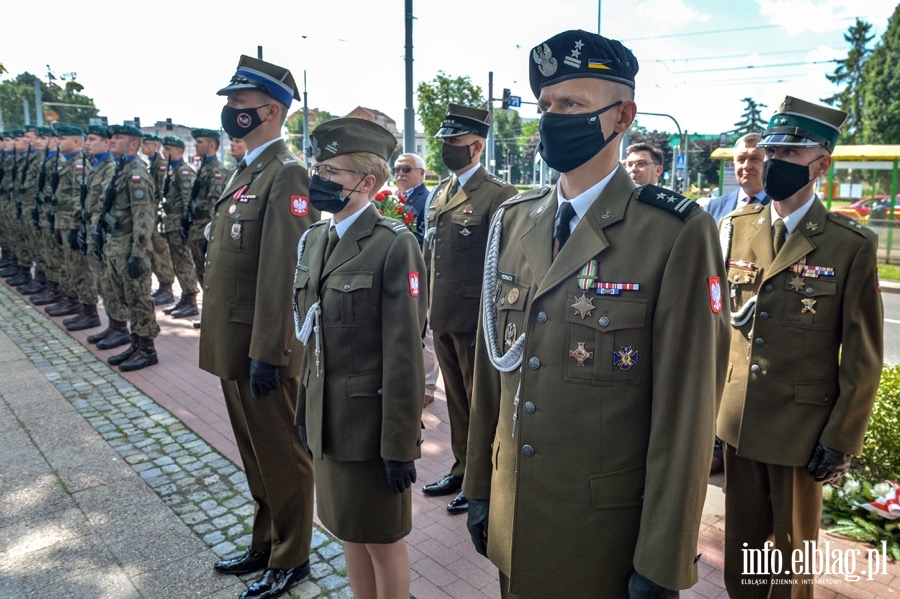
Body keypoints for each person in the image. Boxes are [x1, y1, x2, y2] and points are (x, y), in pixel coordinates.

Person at [463, 30, 730, 598]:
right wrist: (480, 485)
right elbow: (495, 368)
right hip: (518, 512)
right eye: (547, 106)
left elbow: (687, 409)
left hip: (605, 533)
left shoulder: (674, 232)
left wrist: (664, 556)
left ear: (622, 116)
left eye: (573, 105)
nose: (553, 118)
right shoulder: (515, 220)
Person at [718, 96, 883, 596]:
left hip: (801, 432)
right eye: (772, 152)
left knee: (790, 565)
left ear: (820, 165)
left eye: (791, 155)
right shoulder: (736, 229)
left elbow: (863, 354)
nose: (775, 163)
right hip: (739, 422)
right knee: (742, 560)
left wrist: (842, 439)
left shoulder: (848, 244)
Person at [199, 55, 318, 599]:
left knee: (281, 454)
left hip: (259, 345)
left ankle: (292, 557)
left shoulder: (287, 173)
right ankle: (265, 542)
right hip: (234, 339)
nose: (230, 113)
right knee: (254, 452)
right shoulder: (248, 169)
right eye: (229, 104)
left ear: (270, 111)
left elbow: (282, 271)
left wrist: (270, 350)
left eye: (239, 105)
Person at [294, 117, 426, 599]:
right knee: (347, 530)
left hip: (370, 430)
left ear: (367, 183)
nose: (319, 179)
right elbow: (311, 338)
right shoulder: (313, 239)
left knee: (382, 541)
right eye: (318, 167)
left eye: (331, 172)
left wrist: (399, 443)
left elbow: (404, 353)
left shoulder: (394, 245)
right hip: (327, 422)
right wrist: (303, 411)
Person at [422, 104, 518, 516]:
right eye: (444, 142)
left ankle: (483, 478)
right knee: (457, 400)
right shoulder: (442, 190)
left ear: (477, 146)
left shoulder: (499, 195)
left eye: (455, 142)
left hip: (476, 321)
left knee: (481, 404)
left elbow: (506, 265)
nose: (447, 148)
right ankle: (462, 469)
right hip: (441, 314)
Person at [100, 124, 160, 372]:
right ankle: (136, 343)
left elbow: (144, 217)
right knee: (127, 297)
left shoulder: (137, 174)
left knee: (139, 298)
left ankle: (147, 349)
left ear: (133, 144)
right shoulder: (121, 170)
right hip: (116, 246)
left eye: (118, 137)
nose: (112, 140)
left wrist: (138, 255)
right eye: (111, 137)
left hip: (130, 249)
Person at [393, 152, 440, 406]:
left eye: (407, 169)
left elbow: (427, 238)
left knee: (426, 331)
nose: (400, 173)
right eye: (397, 169)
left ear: (422, 173)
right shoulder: (391, 199)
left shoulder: (427, 199)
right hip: (398, 274)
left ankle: (427, 388)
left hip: (421, 274)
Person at [84, 125, 133, 349]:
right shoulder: (97, 166)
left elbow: (103, 204)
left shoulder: (111, 167)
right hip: (98, 232)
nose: (87, 143)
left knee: (112, 283)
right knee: (102, 281)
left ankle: (120, 327)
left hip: (111, 235)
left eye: (93, 139)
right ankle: (114, 325)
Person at [158, 135, 200, 319]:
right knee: (177, 262)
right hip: (170, 223)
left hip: (178, 225)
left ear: (180, 152)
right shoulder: (171, 171)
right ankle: (184, 296)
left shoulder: (183, 172)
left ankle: (191, 299)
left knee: (184, 262)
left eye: (169, 150)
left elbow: (187, 201)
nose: (164, 152)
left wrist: (185, 225)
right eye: (164, 149)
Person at [142, 133, 177, 306]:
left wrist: (155, 212)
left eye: (146, 144)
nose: (143, 147)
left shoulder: (161, 166)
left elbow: (161, 193)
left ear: (154, 146)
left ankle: (167, 287)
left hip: (157, 215)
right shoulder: (152, 164)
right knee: (155, 251)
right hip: (152, 215)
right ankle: (163, 286)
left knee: (161, 251)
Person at [705, 132, 769, 224]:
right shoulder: (715, 207)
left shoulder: (781, 206)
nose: (746, 166)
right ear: (734, 163)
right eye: (741, 159)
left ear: (767, 163)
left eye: (754, 158)